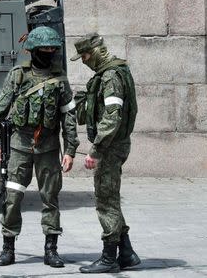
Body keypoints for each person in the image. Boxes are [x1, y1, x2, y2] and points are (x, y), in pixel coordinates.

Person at [0, 26, 78, 268]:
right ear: (33, 50)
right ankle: (8, 247)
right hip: (19, 146)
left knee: (50, 198)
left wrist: (69, 150)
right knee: (13, 196)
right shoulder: (18, 75)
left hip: (48, 148)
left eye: (52, 49)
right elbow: (0, 111)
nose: (48, 52)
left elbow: (69, 116)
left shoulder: (59, 79)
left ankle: (51, 249)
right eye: (44, 49)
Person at [71, 33, 140, 274]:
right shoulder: (113, 72)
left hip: (110, 148)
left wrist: (96, 150)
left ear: (96, 52)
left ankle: (110, 257)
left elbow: (112, 117)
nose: (83, 61)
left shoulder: (111, 76)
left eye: (85, 56)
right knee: (110, 199)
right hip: (114, 145)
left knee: (106, 201)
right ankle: (128, 253)